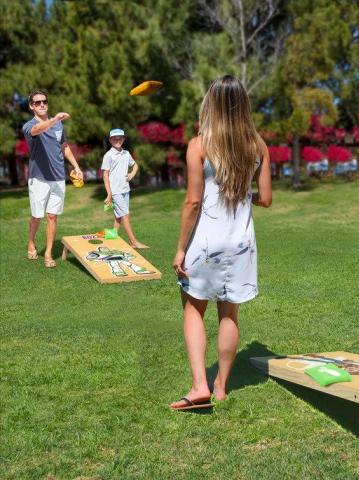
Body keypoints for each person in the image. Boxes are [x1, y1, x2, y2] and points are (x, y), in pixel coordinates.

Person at [170, 75, 272, 410]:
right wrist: (245, 196)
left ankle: (200, 386)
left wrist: (181, 248)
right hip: (241, 243)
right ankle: (221, 387)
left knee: (193, 308)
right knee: (229, 314)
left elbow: (193, 202)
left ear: (210, 105)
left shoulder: (199, 145)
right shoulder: (257, 146)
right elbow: (267, 198)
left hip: (205, 242)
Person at [22, 90, 83, 268]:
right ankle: (31, 242)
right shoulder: (29, 125)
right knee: (36, 216)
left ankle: (48, 253)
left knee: (52, 217)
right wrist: (54, 119)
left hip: (58, 177)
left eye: (44, 101)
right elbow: (37, 130)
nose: (42, 104)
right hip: (38, 179)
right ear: (31, 106)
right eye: (37, 102)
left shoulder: (58, 126)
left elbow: (63, 146)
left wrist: (76, 166)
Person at [101, 129, 148, 249]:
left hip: (125, 189)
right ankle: (133, 242)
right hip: (115, 191)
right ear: (110, 140)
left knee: (119, 215)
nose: (118, 140)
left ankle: (112, 236)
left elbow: (135, 165)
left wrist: (132, 173)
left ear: (124, 139)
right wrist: (109, 194)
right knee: (125, 215)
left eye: (120, 138)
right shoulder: (108, 155)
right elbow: (105, 175)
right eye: (115, 138)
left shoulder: (126, 153)